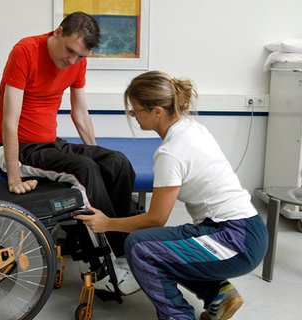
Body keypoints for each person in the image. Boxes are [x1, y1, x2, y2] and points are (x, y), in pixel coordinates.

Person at [75, 70, 268, 320]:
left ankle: (178, 316)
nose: (133, 117)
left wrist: (107, 223)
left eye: (135, 111)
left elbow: (156, 220)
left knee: (141, 246)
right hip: (245, 230)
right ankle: (218, 294)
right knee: (162, 244)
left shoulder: (171, 152)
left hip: (235, 240)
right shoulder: (191, 128)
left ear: (157, 111)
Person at [0, 12, 139, 294]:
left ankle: (124, 248)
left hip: (50, 143)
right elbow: (10, 120)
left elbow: (80, 113)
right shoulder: (25, 51)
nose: (72, 60)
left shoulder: (76, 62)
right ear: (58, 32)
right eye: (70, 51)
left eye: (80, 56)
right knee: (84, 169)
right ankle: (108, 265)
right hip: (20, 148)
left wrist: (97, 152)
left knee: (117, 162)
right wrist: (13, 177)